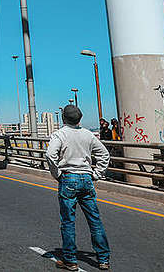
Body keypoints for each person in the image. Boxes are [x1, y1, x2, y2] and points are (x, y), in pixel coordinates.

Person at [44, 104, 111, 271]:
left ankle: (70, 261)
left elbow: (50, 155)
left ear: (63, 118)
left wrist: (57, 174)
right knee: (94, 220)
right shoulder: (88, 135)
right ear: (80, 118)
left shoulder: (59, 134)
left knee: (68, 221)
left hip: (68, 179)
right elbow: (104, 154)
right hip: (86, 179)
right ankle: (103, 259)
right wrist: (97, 173)